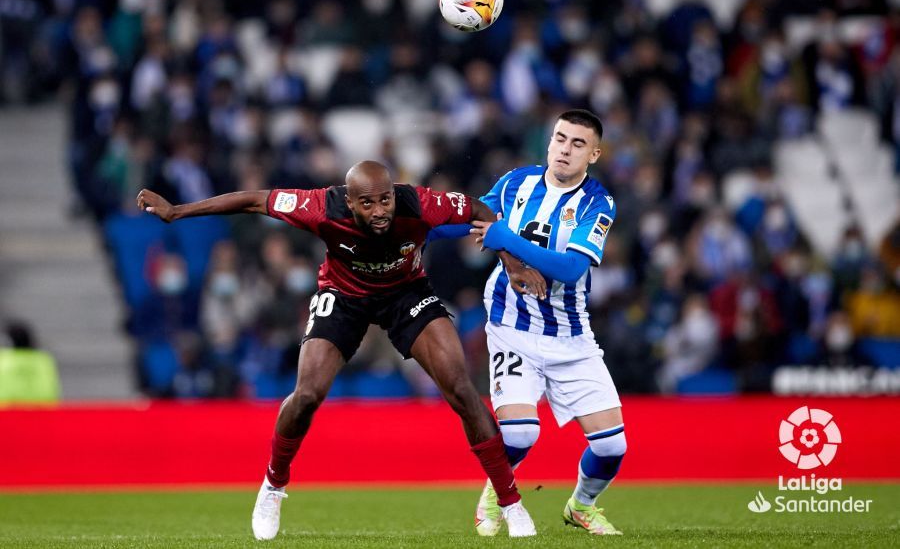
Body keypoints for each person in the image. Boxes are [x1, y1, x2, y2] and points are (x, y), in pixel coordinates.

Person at [136, 160, 539, 539]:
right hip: (344, 297)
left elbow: (482, 210)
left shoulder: (421, 202)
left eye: (385, 199)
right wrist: (178, 212)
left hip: (405, 295)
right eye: (367, 203)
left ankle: (510, 502)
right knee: (307, 394)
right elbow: (255, 199)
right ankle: (273, 484)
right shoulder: (320, 207)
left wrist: (512, 262)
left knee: (463, 390)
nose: (380, 210)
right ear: (349, 202)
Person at [433, 109, 626, 535]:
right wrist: (417, 230)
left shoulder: (598, 203)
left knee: (613, 446)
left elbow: (571, 269)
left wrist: (507, 239)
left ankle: (581, 505)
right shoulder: (517, 181)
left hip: (572, 337)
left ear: (593, 153)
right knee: (520, 435)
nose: (565, 148)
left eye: (578, 144)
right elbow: (473, 219)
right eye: (560, 138)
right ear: (549, 140)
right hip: (511, 328)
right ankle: (496, 491)